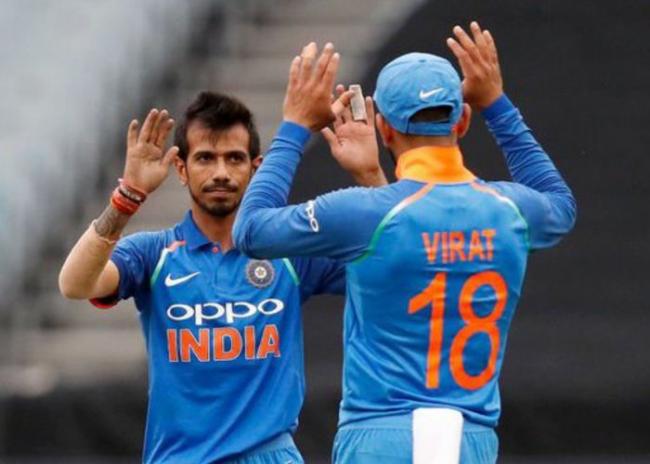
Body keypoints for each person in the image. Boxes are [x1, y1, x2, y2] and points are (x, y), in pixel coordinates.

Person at [233, 22, 576, 463]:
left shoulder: (364, 212)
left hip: (381, 436)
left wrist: (295, 126)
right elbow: (560, 204)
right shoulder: (511, 209)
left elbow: (251, 231)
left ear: (384, 129)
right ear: (463, 120)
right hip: (468, 437)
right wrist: (496, 103)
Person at [58, 85, 385, 462]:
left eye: (234, 159)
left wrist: (371, 175)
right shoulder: (154, 253)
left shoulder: (289, 252)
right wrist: (127, 196)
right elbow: (74, 284)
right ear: (181, 169)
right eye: (205, 158)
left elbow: (399, 263)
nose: (221, 173)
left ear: (256, 167)